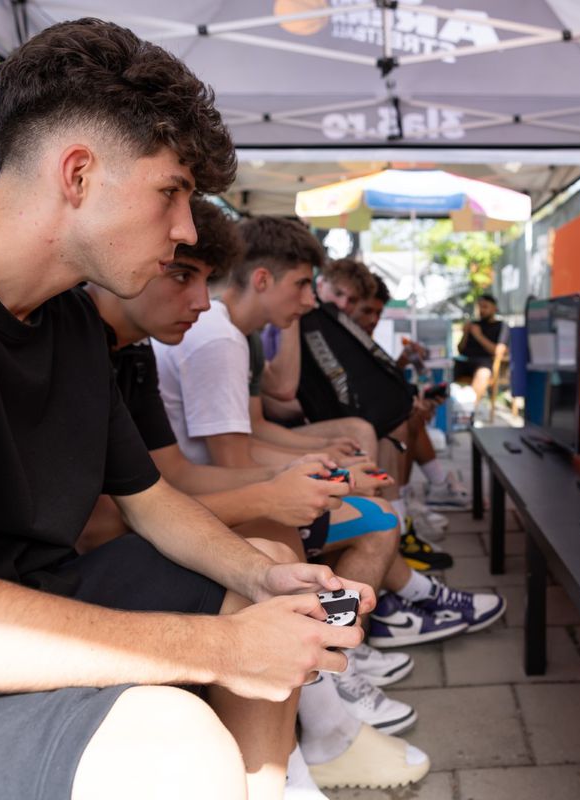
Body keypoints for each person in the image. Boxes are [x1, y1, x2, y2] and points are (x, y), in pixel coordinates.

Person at [0, 18, 375, 800]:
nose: (180, 231)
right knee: (178, 750)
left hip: (29, 603)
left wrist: (262, 583)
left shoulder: (70, 318)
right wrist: (223, 650)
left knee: (265, 570)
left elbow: (152, 498)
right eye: (171, 192)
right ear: (77, 174)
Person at [82, 197, 431, 793]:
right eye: (182, 273)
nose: (201, 299)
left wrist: (303, 479)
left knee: (289, 544)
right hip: (49, 581)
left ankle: (326, 698)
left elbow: (174, 476)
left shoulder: (135, 351)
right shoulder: (208, 338)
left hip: (140, 531)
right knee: (354, 527)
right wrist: (275, 494)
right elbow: (114, 518)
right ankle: (329, 706)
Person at [152, 217, 506, 648]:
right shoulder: (220, 338)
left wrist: (321, 462)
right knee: (378, 521)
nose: (310, 300)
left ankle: (389, 608)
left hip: (211, 493)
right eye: (302, 286)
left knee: (359, 479)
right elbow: (234, 461)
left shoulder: (229, 334)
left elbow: (249, 436)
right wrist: (327, 472)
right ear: (262, 280)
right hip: (213, 505)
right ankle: (335, 648)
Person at [353, 275, 472, 514]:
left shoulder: (362, 339)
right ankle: (402, 511)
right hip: (353, 423)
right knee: (403, 422)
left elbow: (374, 386)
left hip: (365, 414)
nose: (373, 320)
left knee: (410, 416)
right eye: (367, 311)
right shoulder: (342, 339)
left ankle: (410, 501)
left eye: (378, 313)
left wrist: (403, 364)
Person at [455, 293, 510, 421]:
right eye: (480, 307)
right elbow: (460, 349)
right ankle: (448, 410)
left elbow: (499, 352)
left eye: (485, 307)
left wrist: (479, 336)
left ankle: (469, 412)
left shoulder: (501, 326)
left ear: (494, 308)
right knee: (444, 369)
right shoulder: (474, 324)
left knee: (483, 373)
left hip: (485, 362)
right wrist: (465, 334)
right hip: (464, 361)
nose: (482, 310)